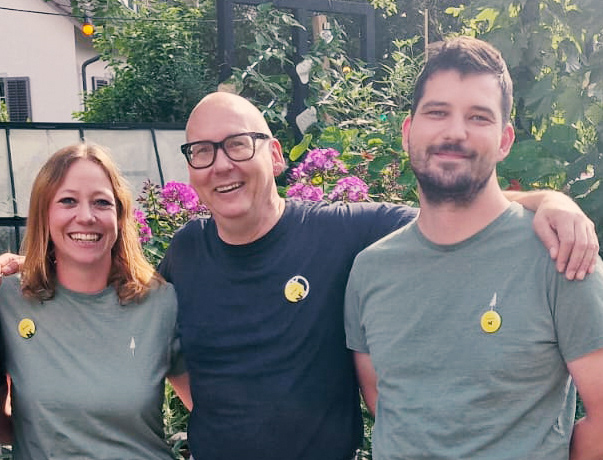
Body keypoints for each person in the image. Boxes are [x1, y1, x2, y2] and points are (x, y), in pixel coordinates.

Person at [0, 93, 599, 460]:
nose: (221, 165)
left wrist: (548, 200)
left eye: (238, 145)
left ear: (275, 154)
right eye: (202, 151)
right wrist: (37, 264)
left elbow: (455, 212)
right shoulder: (185, 250)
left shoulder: (345, 232)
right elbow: (132, 321)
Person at [344, 36, 603, 460]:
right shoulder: (370, 271)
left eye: (479, 117)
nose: (454, 132)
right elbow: (385, 403)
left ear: (504, 140)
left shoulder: (560, 256)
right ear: (408, 132)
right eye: (437, 112)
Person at [0, 144, 191, 459]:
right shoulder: (10, 301)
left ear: (120, 215)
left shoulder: (159, 303)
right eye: (68, 201)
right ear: (44, 214)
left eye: (102, 202)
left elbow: (213, 411)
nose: (86, 217)